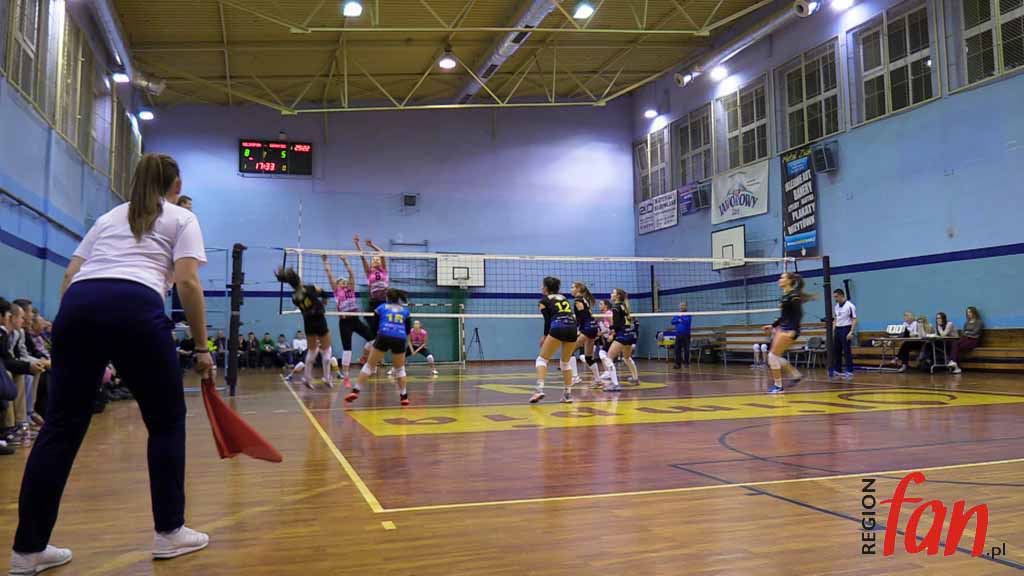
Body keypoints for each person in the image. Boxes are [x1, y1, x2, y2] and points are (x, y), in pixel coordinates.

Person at [10, 154, 213, 575]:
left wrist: (74, 327)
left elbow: (70, 276)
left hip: (78, 306)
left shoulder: (107, 218)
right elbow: (188, 282)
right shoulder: (182, 217)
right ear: (176, 186)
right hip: (135, 305)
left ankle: (27, 551)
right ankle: (169, 531)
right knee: (166, 422)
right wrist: (201, 346)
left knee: (60, 428)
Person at [345, 288, 412, 406]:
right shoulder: (405, 311)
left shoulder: (381, 308)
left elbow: (374, 326)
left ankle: (355, 390)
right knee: (400, 369)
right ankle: (404, 396)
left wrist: (378, 337)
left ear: (387, 298)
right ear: (398, 299)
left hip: (384, 335)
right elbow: (407, 329)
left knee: (369, 365)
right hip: (399, 337)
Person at [276, 266, 334, 388]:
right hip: (319, 320)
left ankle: (307, 378)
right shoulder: (310, 288)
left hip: (308, 323)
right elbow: (324, 293)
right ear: (299, 279)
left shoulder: (294, 297)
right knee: (327, 349)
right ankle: (327, 377)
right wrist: (324, 300)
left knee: (312, 350)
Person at [322, 254, 374, 387]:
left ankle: (363, 357)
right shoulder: (336, 291)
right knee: (347, 350)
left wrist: (345, 260)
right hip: (345, 322)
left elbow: (351, 273)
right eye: (341, 282)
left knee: (374, 340)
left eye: (345, 281)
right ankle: (346, 377)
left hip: (355, 319)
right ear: (338, 284)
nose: (344, 282)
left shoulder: (351, 288)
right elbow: (329, 275)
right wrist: (325, 261)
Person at [531, 277, 578, 404]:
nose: (541, 288)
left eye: (542, 286)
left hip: (558, 326)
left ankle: (539, 389)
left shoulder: (543, 301)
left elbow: (547, 321)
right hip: (573, 327)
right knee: (565, 363)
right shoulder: (563, 298)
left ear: (546, 288)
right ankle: (567, 395)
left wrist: (545, 336)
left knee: (541, 360)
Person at [764, 272, 813, 394]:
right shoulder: (784, 296)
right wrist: (773, 325)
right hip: (783, 328)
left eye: (782, 278)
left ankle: (778, 386)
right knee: (775, 356)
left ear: (789, 281)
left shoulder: (794, 296)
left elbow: (799, 314)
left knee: (772, 356)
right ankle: (796, 375)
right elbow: (784, 316)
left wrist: (793, 330)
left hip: (790, 329)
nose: (779, 280)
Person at [353, 234, 388, 354]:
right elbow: (362, 257)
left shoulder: (384, 271)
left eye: (377, 259)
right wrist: (357, 244)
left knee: (382, 327)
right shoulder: (369, 272)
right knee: (370, 323)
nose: (376, 260)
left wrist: (372, 245)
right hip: (373, 302)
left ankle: (375, 348)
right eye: (374, 259)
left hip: (383, 302)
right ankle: (373, 346)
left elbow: (382, 253)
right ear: (371, 263)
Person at [603, 288, 638, 392]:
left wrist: (610, 329)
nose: (611, 294)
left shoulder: (615, 307)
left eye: (613, 293)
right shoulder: (624, 306)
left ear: (617, 296)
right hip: (630, 334)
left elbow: (617, 325)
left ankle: (615, 384)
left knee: (608, 358)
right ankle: (635, 379)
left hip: (622, 335)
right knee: (627, 358)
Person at [569, 282, 599, 384]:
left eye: (572, 287)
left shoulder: (577, 300)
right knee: (588, 357)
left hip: (587, 328)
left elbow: (581, 316)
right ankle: (598, 380)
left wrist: (576, 329)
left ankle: (575, 377)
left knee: (569, 351)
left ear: (578, 289)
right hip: (593, 327)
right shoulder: (585, 299)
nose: (571, 289)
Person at [830, 289, 857, 378]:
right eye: (834, 297)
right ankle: (838, 369)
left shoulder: (850, 306)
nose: (835, 299)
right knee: (836, 350)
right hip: (838, 329)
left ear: (841, 295)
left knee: (846, 350)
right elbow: (835, 319)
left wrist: (851, 332)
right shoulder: (836, 306)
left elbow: (854, 319)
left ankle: (849, 370)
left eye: (836, 297)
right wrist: (833, 331)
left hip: (846, 328)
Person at [949, 306, 983, 375]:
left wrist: (967, 333)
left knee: (957, 347)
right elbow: (963, 332)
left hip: (974, 340)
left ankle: (955, 365)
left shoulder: (979, 322)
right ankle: (954, 363)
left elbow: (975, 332)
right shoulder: (966, 322)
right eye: (967, 312)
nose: (968, 313)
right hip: (965, 339)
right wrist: (967, 333)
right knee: (955, 344)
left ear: (974, 312)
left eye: (970, 312)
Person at [670, 302, 692, 369]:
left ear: (686, 307)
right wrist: (679, 320)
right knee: (677, 349)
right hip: (678, 334)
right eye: (680, 306)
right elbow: (672, 322)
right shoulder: (677, 314)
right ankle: (677, 364)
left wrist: (679, 319)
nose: (681, 307)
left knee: (686, 349)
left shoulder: (688, 314)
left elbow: (687, 321)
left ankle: (686, 363)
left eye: (683, 305)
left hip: (686, 334)